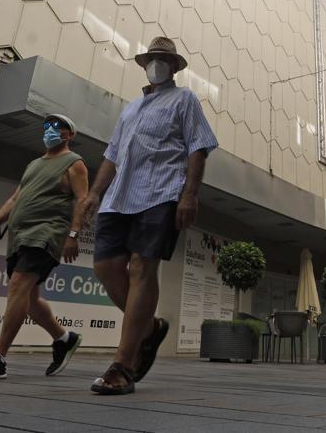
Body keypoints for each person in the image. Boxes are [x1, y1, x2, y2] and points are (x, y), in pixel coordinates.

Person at [83, 37, 218, 395]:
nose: (157, 64)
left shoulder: (184, 99)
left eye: (163, 60)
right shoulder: (131, 108)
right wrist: (94, 193)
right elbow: (112, 154)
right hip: (118, 197)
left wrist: (190, 194)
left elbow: (198, 147)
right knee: (106, 267)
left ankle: (122, 366)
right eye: (152, 59)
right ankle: (150, 329)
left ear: (174, 67)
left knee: (142, 267)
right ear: (144, 65)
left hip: (161, 192)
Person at [0, 114, 89, 380]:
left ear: (69, 134)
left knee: (18, 284)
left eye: (56, 127)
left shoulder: (74, 163)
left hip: (46, 233)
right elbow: (15, 199)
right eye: (47, 126)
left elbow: (82, 200)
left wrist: (73, 234)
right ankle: (64, 338)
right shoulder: (34, 164)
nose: (50, 130)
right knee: (30, 298)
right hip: (19, 235)